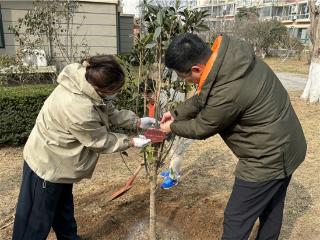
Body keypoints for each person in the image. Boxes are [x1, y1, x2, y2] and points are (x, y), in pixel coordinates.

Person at [160, 33, 307, 239]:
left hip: (268, 157)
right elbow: (204, 96)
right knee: (271, 207)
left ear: (196, 69)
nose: (188, 83)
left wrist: (171, 128)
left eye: (186, 78)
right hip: (287, 144)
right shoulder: (230, 62)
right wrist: (175, 113)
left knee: (236, 218)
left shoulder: (227, 89)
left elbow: (202, 127)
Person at [12, 55, 155, 240]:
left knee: (63, 210)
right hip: (46, 164)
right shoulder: (78, 107)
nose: (116, 94)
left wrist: (136, 122)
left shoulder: (85, 80)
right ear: (103, 88)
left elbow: (107, 110)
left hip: (62, 162)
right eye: (115, 90)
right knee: (35, 221)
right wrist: (132, 141)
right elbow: (99, 141)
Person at [141, 78, 194, 189]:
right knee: (170, 150)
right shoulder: (151, 103)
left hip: (183, 126)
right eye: (143, 95)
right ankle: (172, 169)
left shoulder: (166, 100)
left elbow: (173, 119)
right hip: (170, 128)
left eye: (147, 94)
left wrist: (159, 132)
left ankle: (173, 177)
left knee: (176, 152)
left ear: (154, 91)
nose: (145, 97)